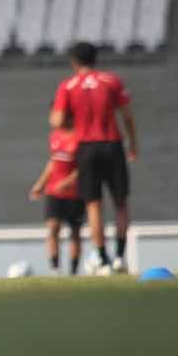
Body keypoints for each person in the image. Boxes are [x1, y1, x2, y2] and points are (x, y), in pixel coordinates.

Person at [49, 41, 137, 274]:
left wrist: (72, 116)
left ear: (74, 62)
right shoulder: (111, 81)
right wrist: (133, 144)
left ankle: (103, 258)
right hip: (112, 143)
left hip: (86, 148)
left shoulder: (68, 86)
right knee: (120, 202)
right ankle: (120, 256)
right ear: (96, 59)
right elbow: (127, 116)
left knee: (93, 204)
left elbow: (57, 121)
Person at [30, 117, 85, 275]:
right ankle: (55, 269)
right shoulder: (54, 136)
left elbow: (85, 165)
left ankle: (74, 272)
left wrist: (68, 182)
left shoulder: (79, 137)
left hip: (75, 194)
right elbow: (53, 162)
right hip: (54, 193)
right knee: (53, 228)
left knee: (75, 232)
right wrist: (40, 184)